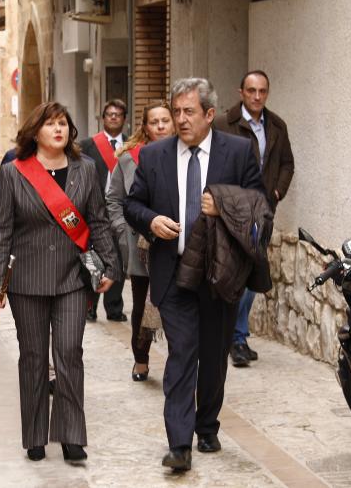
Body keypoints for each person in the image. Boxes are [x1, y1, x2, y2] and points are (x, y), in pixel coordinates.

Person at [124, 78, 262, 471]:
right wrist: (151, 221)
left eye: (189, 112)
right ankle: (179, 445)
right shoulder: (152, 156)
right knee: (182, 354)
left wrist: (226, 209)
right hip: (174, 274)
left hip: (221, 275)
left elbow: (259, 205)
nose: (180, 120)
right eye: (176, 112)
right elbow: (132, 205)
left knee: (214, 357)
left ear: (209, 114)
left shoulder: (237, 152)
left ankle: (207, 424)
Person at [0, 102, 121, 463]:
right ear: (35, 132)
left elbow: (98, 220)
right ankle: (34, 434)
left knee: (69, 354)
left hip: (71, 280)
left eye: (63, 123)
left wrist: (109, 265)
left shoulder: (86, 169)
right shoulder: (15, 173)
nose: (59, 130)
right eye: (50, 124)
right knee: (33, 358)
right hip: (25, 281)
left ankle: (71, 434)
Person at [213, 70, 295, 367]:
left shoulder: (276, 125)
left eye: (262, 91)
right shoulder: (224, 123)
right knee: (234, 271)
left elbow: (287, 163)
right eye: (251, 91)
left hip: (263, 211)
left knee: (252, 274)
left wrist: (276, 191)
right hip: (233, 211)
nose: (257, 96)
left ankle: (236, 335)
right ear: (241, 92)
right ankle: (235, 338)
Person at [105, 101, 174, 381]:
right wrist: (124, 231)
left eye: (165, 121)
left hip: (176, 243)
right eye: (154, 121)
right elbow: (113, 200)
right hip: (141, 244)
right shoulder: (128, 158)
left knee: (175, 306)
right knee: (142, 302)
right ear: (145, 126)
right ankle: (141, 358)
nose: (160, 126)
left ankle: (178, 361)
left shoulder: (185, 156)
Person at [79, 99, 129, 323]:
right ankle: (90, 304)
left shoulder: (131, 146)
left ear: (124, 119)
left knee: (118, 257)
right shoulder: (88, 145)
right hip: (94, 209)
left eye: (118, 114)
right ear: (103, 118)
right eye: (109, 114)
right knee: (93, 257)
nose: (114, 117)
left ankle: (114, 307)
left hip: (120, 210)